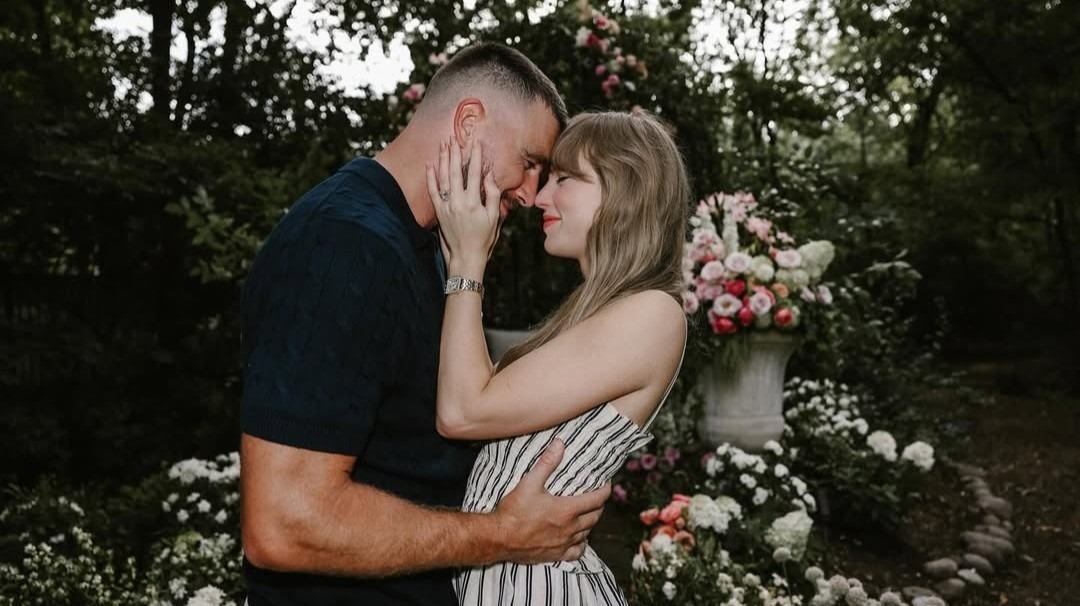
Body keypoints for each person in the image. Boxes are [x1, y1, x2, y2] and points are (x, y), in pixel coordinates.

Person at [238, 43, 610, 606]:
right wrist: (503, 535)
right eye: (530, 162)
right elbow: (285, 524)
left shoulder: (428, 247)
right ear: (468, 122)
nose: (532, 194)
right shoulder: (343, 244)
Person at [427, 110, 690, 604]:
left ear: (625, 191)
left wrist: (467, 263)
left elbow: (462, 411)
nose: (540, 197)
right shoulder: (592, 315)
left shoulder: (653, 312)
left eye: (564, 179)